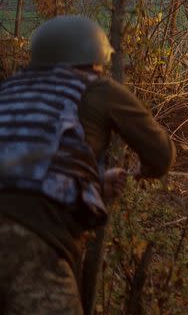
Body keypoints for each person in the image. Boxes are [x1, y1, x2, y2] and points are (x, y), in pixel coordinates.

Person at [0, 16, 175, 314]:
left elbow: (26, 162)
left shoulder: (10, 90)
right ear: (95, 58)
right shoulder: (95, 89)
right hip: (29, 237)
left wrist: (93, 181)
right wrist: (143, 172)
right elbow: (160, 155)